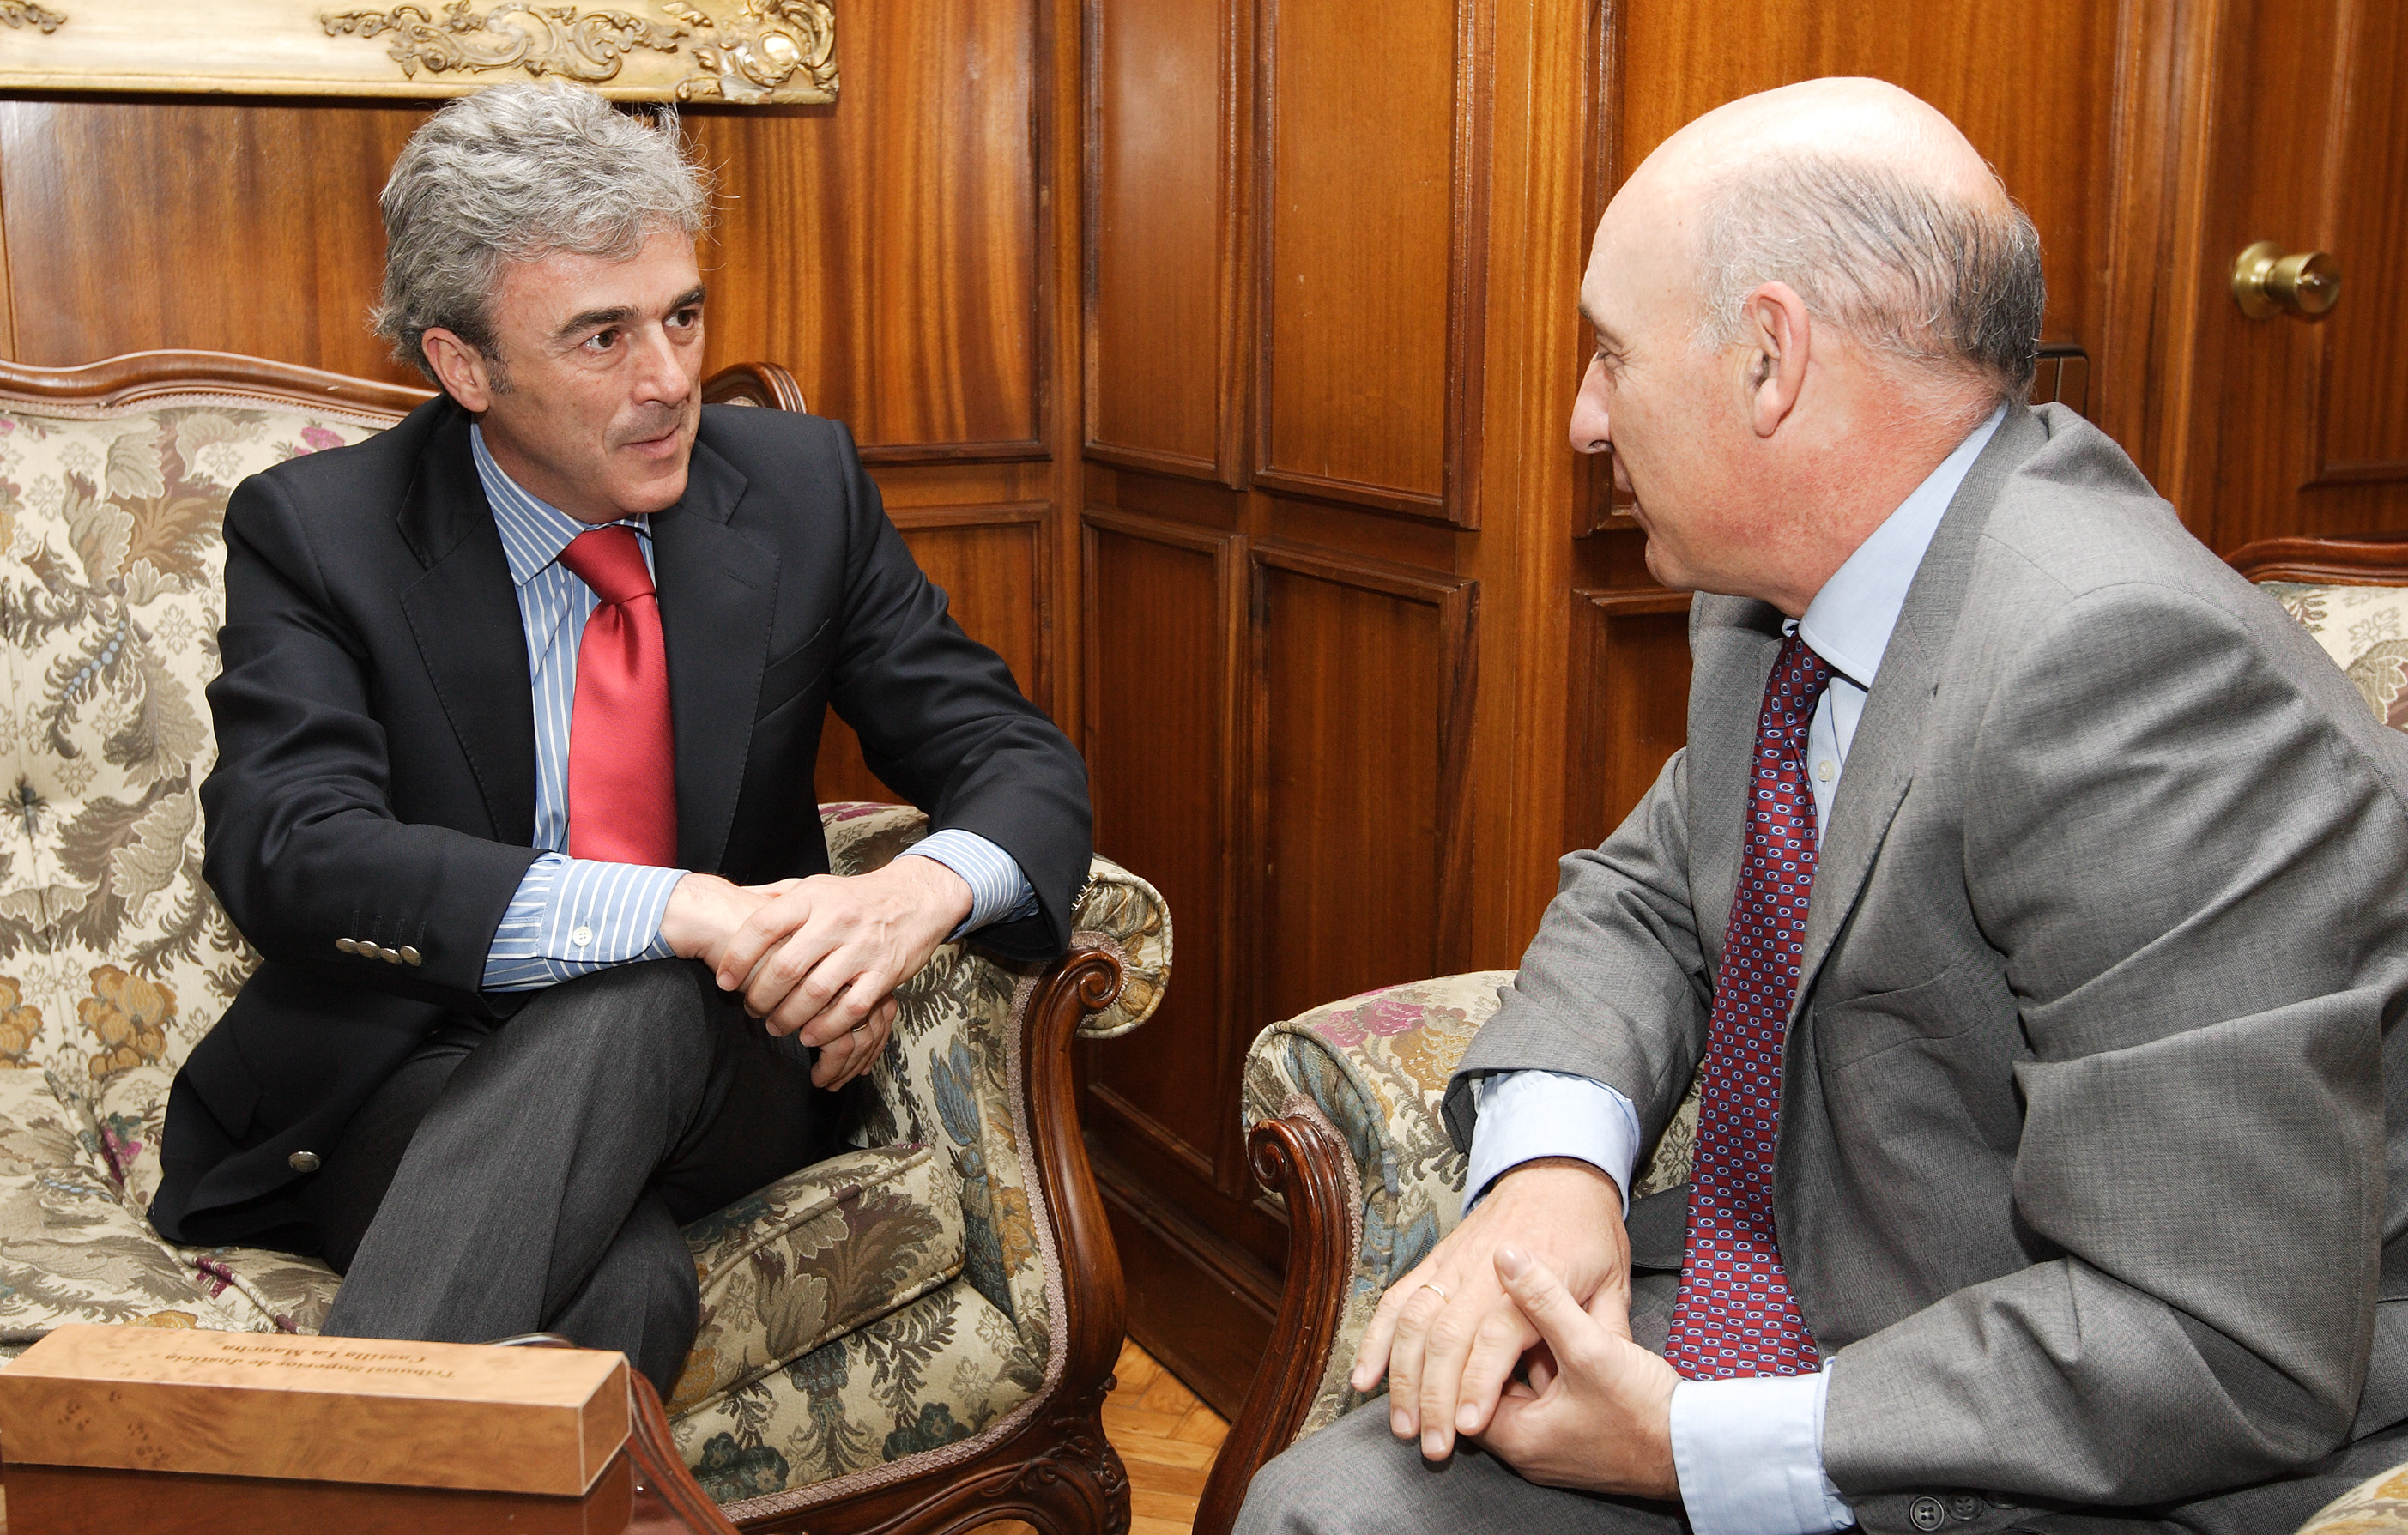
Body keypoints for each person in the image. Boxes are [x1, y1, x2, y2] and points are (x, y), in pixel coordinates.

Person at [1237, 77, 2408, 1535]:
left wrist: (1690, 1445)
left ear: (1767, 362)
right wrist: (1551, 1167)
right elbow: (1656, 890)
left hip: (2084, 1427)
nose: (1583, 418)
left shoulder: (2134, 679)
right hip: (1813, 1287)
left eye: (1609, 353)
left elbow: (2222, 1340)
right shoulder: (1770, 589)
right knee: (1328, 1509)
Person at [147, 82, 1091, 1398]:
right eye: (601, 337)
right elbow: (289, 848)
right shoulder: (323, 532)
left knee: (649, 991)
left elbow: (1014, 757)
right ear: (462, 363)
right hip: (417, 1069)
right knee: (624, 1288)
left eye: (683, 316)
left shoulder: (800, 492)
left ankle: (321, 1485)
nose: (669, 382)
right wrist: (683, 905)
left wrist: (907, 900)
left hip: (727, 1070)